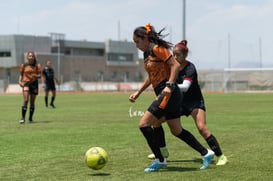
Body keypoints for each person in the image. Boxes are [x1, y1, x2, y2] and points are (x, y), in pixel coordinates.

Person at [129, 24, 214, 172]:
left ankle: (160, 160)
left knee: (144, 124)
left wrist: (169, 85)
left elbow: (174, 65)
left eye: (137, 41)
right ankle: (206, 153)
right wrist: (138, 92)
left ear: (145, 39)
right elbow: (151, 76)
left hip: (169, 93)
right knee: (176, 130)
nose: (136, 45)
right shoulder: (146, 54)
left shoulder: (157, 49)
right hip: (168, 94)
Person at [148, 40, 228, 166]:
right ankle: (163, 152)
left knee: (202, 128)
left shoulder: (190, 68)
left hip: (194, 102)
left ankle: (220, 156)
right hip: (178, 102)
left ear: (185, 56)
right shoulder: (170, 66)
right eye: (173, 54)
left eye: (177, 55)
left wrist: (169, 86)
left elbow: (185, 87)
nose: (174, 57)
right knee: (156, 122)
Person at [18, 51, 41, 123]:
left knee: (32, 102)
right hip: (26, 83)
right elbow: (21, 74)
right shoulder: (23, 65)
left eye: (32, 56)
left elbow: (40, 75)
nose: (31, 57)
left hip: (34, 84)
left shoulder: (37, 65)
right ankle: (22, 118)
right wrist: (19, 81)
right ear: (27, 57)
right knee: (25, 100)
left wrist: (35, 76)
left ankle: (30, 118)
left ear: (34, 57)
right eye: (29, 56)